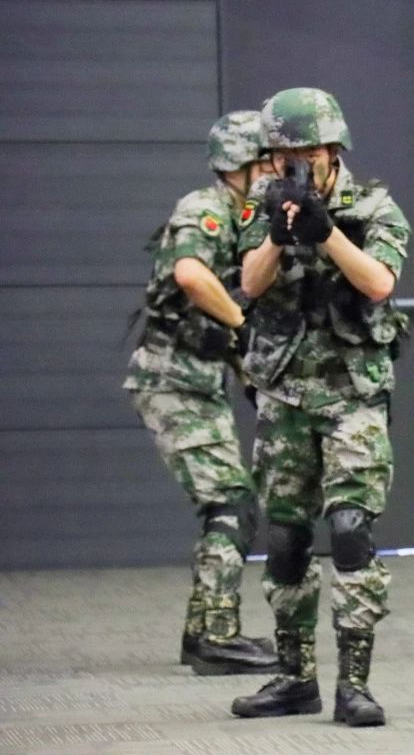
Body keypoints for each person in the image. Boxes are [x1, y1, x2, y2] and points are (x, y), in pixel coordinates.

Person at [229, 88, 410, 727]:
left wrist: (326, 231)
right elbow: (249, 284)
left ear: (334, 150)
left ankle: (354, 684)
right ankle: (293, 676)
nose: (296, 165)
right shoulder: (259, 204)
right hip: (284, 395)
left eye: (307, 153)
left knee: (352, 529)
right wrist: (278, 236)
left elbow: (380, 283)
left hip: (352, 395)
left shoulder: (376, 207)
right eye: (284, 155)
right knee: (285, 538)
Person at [123, 111, 279, 676]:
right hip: (171, 382)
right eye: (266, 162)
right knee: (231, 502)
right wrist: (241, 320)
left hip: (198, 382)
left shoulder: (244, 218)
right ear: (239, 165)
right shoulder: (204, 209)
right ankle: (216, 637)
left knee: (233, 501)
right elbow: (191, 275)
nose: (274, 171)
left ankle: (202, 633)